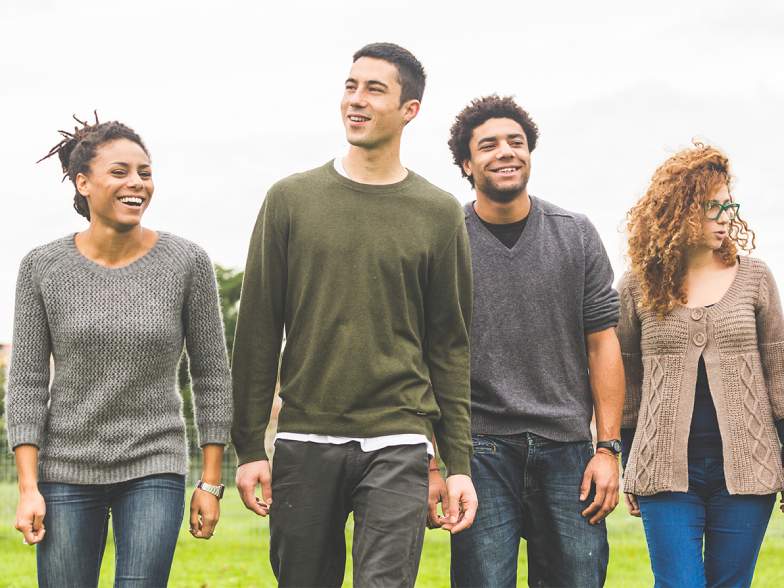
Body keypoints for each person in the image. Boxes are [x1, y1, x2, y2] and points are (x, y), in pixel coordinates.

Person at [231, 42, 477, 587]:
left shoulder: (438, 213)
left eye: (374, 89)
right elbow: (258, 332)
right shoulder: (290, 199)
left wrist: (456, 461)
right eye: (350, 86)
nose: (356, 100)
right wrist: (249, 446)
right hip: (305, 438)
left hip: (399, 439)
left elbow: (449, 345)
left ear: (409, 109)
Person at [6, 116, 233, 587]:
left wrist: (210, 482)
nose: (137, 183)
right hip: (66, 469)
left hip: (154, 464)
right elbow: (26, 383)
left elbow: (211, 374)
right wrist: (29, 488)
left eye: (145, 173)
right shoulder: (42, 267)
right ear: (83, 182)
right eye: (121, 171)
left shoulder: (186, 262)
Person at [440, 95, 625, 587]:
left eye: (516, 142)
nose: (506, 152)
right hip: (480, 448)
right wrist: (436, 458)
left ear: (529, 154)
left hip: (568, 449)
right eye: (489, 145)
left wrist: (607, 449)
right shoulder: (445, 240)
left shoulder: (576, 234)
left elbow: (604, 344)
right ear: (466, 163)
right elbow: (426, 356)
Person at [619, 143, 784, 587]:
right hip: (666, 475)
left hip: (747, 473)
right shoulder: (638, 286)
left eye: (728, 204)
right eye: (711, 207)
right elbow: (628, 386)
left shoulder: (755, 278)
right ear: (678, 211)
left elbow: (779, 378)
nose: (725, 216)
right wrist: (631, 463)